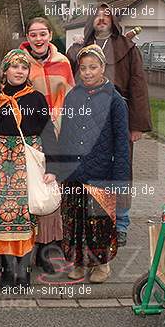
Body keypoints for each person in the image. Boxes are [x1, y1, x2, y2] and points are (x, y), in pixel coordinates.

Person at [65, 3, 152, 246]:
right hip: (87, 117)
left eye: (107, 15)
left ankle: (121, 222)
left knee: (120, 169)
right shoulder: (78, 49)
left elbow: (138, 85)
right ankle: (87, 221)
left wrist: (137, 125)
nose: (102, 19)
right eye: (98, 15)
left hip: (118, 115)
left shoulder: (128, 47)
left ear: (113, 20)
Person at [0, 49, 59, 288]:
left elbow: (47, 130)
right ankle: (6, 269)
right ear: (5, 70)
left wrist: (53, 165)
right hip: (1, 162)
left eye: (24, 67)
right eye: (14, 67)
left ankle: (23, 269)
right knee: (1, 216)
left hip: (27, 161)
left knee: (24, 216)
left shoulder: (36, 98)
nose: (19, 71)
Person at [58, 45, 130, 284]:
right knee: (75, 221)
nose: (88, 72)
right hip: (75, 173)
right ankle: (79, 261)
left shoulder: (115, 100)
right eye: (84, 68)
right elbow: (65, 135)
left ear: (102, 68)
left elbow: (122, 143)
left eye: (93, 67)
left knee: (99, 223)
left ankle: (102, 264)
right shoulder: (73, 96)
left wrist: (120, 180)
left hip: (101, 172)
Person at [18, 17, 75, 274]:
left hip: (58, 133)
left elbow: (72, 94)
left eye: (42, 34)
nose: (38, 39)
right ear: (27, 37)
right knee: (31, 191)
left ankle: (48, 250)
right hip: (31, 134)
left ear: (50, 35)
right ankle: (24, 248)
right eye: (33, 34)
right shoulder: (19, 62)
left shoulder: (63, 62)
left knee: (52, 191)